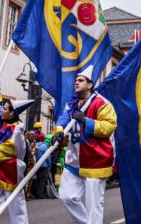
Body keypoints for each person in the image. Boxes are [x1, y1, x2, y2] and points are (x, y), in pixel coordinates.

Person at [52, 67, 117, 224]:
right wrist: (59, 131)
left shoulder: (102, 103)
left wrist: (86, 121)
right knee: (67, 196)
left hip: (96, 160)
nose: (76, 82)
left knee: (94, 205)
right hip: (75, 160)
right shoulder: (72, 103)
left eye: (80, 80)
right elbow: (63, 118)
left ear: (90, 85)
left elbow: (109, 126)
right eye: (76, 80)